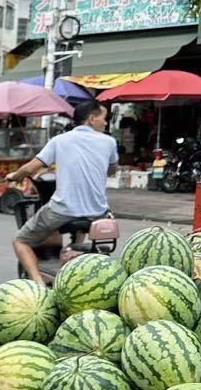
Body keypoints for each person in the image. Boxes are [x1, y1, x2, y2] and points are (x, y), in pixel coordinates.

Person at [6, 100, 119, 286]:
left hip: (62, 211)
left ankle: (38, 284)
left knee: (20, 240)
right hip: (97, 213)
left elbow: (30, 168)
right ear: (91, 119)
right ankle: (72, 257)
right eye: (103, 118)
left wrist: (14, 176)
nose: (105, 123)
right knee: (81, 223)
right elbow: (112, 170)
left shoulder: (60, 140)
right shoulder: (109, 142)